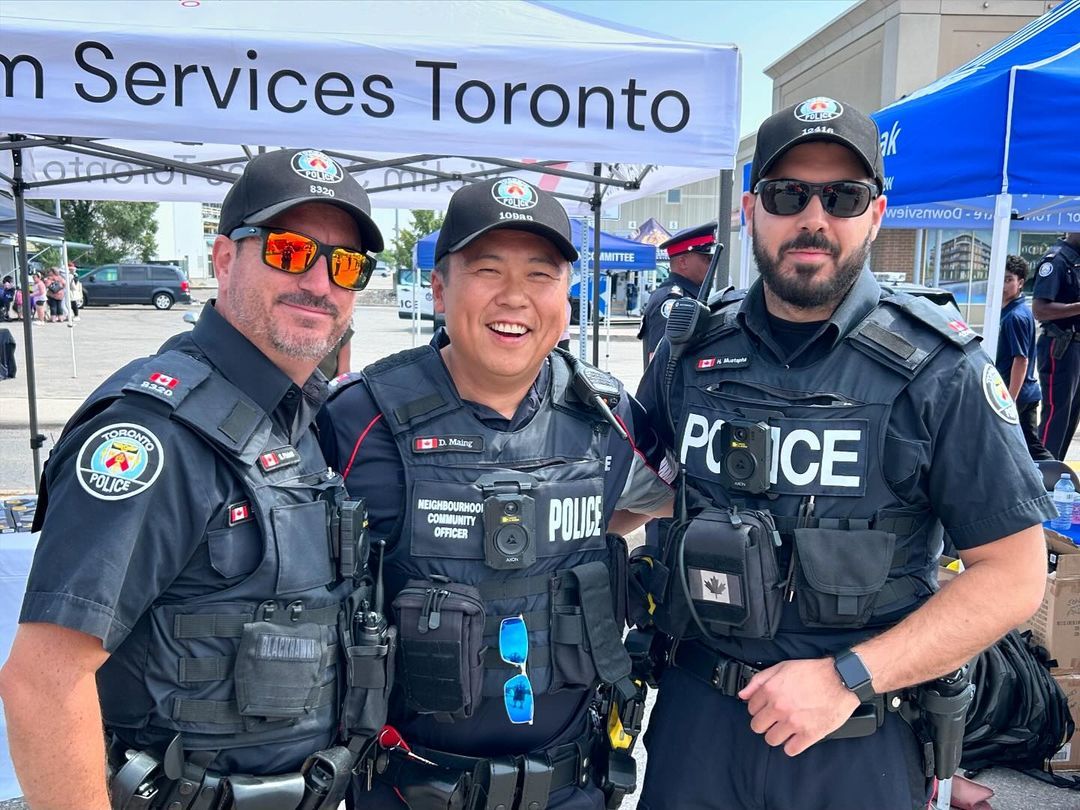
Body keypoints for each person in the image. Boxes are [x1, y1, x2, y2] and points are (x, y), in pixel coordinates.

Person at [632, 97, 1054, 810]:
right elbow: (629, 497)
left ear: (877, 214)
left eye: (843, 196)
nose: (813, 217)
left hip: (858, 738)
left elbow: (1012, 577)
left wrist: (848, 676)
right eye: (787, 193)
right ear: (750, 209)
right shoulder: (688, 352)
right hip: (695, 729)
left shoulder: (940, 370)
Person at [0, 148, 391, 810]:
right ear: (223, 261)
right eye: (290, 252)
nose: (320, 283)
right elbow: (44, 682)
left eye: (346, 265)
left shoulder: (298, 418)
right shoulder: (156, 433)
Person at [320, 176, 673, 810]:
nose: (515, 297)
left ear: (568, 294)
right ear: (438, 286)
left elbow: (669, 499)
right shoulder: (356, 419)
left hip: (572, 787)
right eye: (487, 269)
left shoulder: (610, 413)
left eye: (541, 275)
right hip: (407, 791)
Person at [636, 221, 717, 369]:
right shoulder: (673, 301)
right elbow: (662, 365)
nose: (712, 266)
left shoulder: (690, 298)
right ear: (683, 262)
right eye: (707, 260)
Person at [999, 255, 1052, 461]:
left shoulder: (1015, 317)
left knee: (1031, 449)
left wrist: (1009, 400)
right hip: (1020, 392)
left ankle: (1058, 483)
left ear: (1020, 283)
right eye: (1001, 279)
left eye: (1008, 280)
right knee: (1025, 447)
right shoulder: (1006, 311)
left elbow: (1021, 360)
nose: (1003, 285)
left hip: (1017, 394)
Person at [1033, 232, 1080, 460]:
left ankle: (1055, 471)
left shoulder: (1077, 260)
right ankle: (1041, 475)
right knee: (1056, 412)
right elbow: (1040, 310)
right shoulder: (1056, 260)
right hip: (1061, 345)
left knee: (1071, 413)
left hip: (1076, 347)